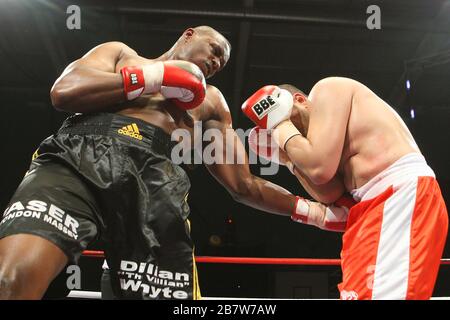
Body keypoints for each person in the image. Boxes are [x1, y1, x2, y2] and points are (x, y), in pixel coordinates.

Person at [0, 26, 340, 300]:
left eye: (224, 60)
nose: (218, 60)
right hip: (76, 158)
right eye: (215, 49)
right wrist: (152, 77)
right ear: (188, 35)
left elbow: (243, 185)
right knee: (12, 279)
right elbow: (64, 92)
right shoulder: (120, 53)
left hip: (154, 181)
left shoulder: (210, 100)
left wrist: (318, 213)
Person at [242, 79, 449, 299]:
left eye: (287, 116)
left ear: (300, 101)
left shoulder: (328, 89)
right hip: (376, 208)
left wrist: (278, 125)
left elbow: (318, 169)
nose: (292, 134)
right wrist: (286, 158)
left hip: (399, 197)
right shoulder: (324, 146)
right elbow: (328, 192)